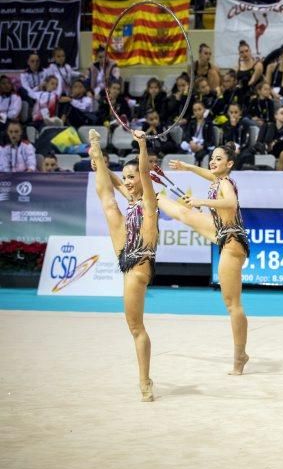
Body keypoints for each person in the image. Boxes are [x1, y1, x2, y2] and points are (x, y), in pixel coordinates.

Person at [166, 145, 251, 374]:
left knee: (233, 305)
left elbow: (231, 202)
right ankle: (152, 196)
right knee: (186, 215)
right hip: (224, 235)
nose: (213, 162)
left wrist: (201, 201)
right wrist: (188, 167)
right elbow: (209, 175)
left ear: (229, 164)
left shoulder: (225, 184)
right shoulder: (218, 180)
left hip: (232, 243)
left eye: (218, 159)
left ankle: (240, 355)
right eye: (211, 158)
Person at [88, 128, 158, 401]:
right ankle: (96, 148)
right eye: (126, 177)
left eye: (133, 178)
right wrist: (101, 165)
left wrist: (142, 146)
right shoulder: (132, 199)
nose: (128, 182)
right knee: (108, 204)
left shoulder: (150, 201)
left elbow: (143, 174)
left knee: (136, 327)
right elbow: (115, 185)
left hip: (140, 262)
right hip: (125, 255)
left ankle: (145, 382)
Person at [222, 103, 254, 168]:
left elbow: (246, 141)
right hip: (229, 149)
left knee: (246, 155)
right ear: (228, 113)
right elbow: (225, 140)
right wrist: (232, 127)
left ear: (240, 112)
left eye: (236, 112)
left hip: (242, 149)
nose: (233, 115)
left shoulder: (245, 124)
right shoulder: (226, 125)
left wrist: (239, 148)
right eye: (231, 112)